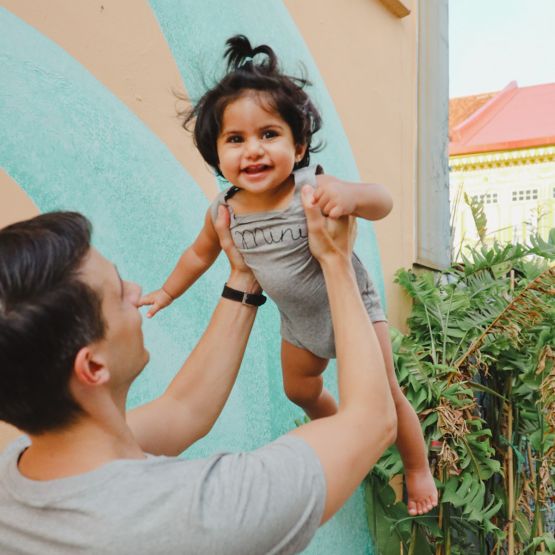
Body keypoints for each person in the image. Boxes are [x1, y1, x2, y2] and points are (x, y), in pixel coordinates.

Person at [0, 192, 396, 554]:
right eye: (120, 293)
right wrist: (336, 263)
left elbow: (184, 408)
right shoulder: (196, 515)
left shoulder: (20, 471)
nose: (137, 291)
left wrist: (244, 274)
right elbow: (372, 421)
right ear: (92, 367)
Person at [140, 35, 437, 515]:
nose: (252, 150)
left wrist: (351, 195)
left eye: (268, 135)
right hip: (298, 323)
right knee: (298, 389)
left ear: (298, 145)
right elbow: (198, 256)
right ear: (216, 155)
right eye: (235, 140)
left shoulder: (313, 188)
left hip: (354, 311)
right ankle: (342, 429)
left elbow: (383, 198)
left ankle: (417, 466)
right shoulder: (225, 210)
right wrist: (167, 292)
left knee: (387, 393)